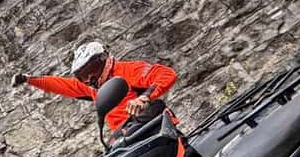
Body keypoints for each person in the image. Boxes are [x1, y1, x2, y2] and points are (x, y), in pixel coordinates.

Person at [11, 41, 177, 136]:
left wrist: (144, 97)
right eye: (83, 75)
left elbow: (165, 74)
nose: (89, 78)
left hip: (155, 129)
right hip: (129, 138)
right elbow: (60, 84)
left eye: (92, 70)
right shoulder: (91, 87)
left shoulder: (126, 70)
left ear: (103, 59)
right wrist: (29, 79)